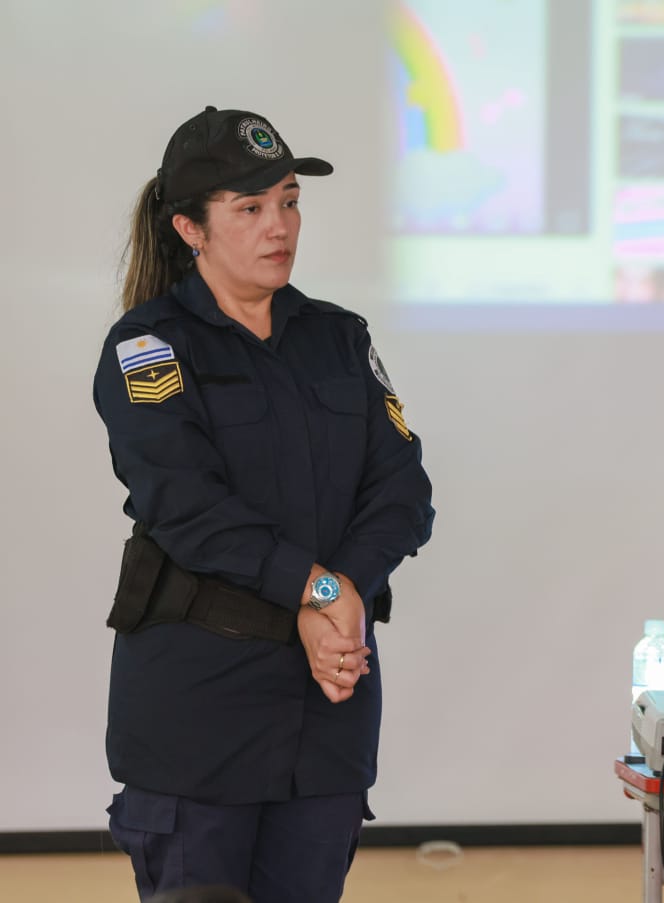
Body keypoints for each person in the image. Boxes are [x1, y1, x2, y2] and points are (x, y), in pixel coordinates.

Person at [93, 106, 435, 903]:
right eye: (249, 208)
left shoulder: (337, 337)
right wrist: (317, 589)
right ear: (190, 228)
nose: (279, 226)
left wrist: (341, 588)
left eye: (288, 200)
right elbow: (185, 505)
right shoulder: (148, 347)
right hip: (201, 717)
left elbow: (403, 489)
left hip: (326, 712)